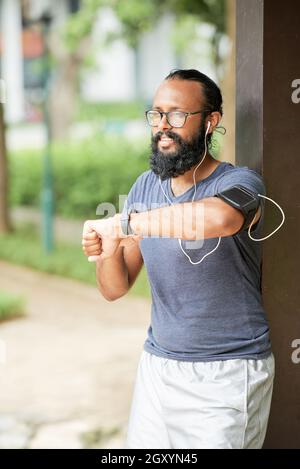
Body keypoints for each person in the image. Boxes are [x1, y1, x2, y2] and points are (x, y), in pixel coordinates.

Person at [82, 69, 275, 449]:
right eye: (156, 114)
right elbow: (115, 288)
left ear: (210, 122)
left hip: (228, 372)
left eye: (176, 115)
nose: (162, 127)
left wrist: (124, 222)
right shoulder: (145, 187)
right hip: (158, 367)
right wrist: (107, 250)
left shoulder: (240, 183)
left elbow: (219, 218)